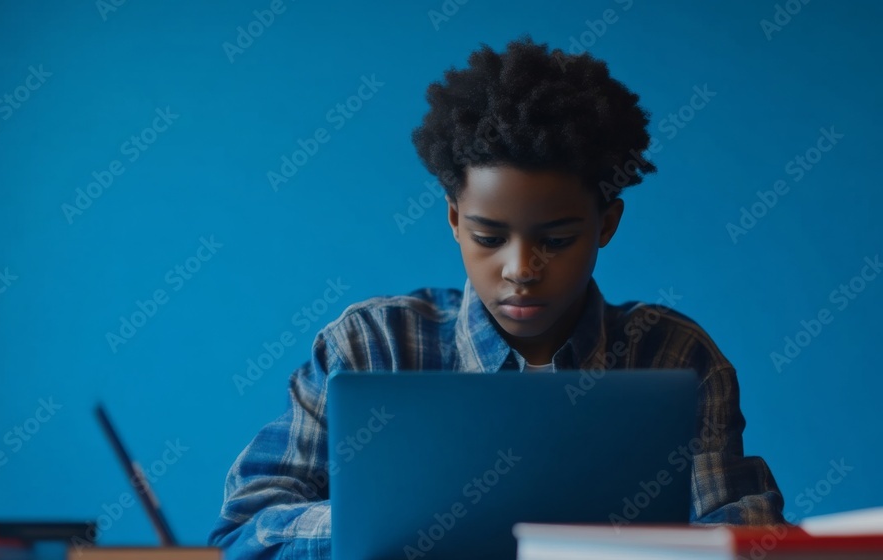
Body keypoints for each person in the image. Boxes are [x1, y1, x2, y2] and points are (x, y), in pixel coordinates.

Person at [208, 34, 785, 558]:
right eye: (489, 237)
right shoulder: (369, 346)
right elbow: (247, 529)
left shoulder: (674, 355)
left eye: (557, 240)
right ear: (455, 221)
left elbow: (741, 530)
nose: (520, 269)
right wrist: (385, 526)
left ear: (607, 224)